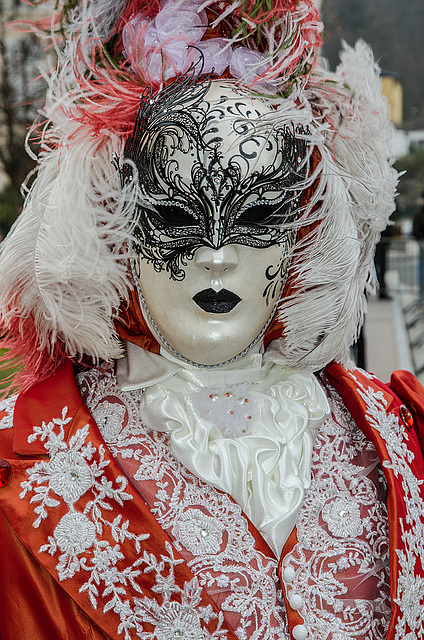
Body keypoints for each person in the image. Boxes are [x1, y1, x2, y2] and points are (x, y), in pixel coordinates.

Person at [0, 1, 424, 639]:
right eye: (176, 214)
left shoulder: (400, 431)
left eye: (257, 216)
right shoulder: (19, 466)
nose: (219, 256)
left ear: (302, 225)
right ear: (115, 221)